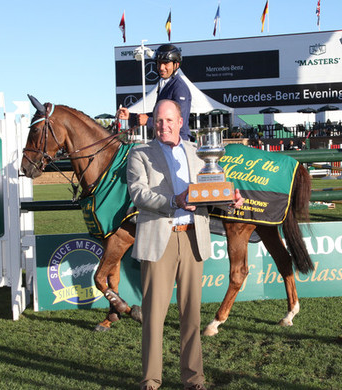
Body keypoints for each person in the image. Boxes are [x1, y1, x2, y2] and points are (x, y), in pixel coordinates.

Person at [127, 99, 242, 390]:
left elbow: (209, 193)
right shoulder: (140, 153)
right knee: (154, 317)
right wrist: (172, 201)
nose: (162, 125)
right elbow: (139, 193)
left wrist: (228, 198)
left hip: (193, 238)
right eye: (158, 120)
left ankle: (194, 380)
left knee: (191, 315)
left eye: (168, 120)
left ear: (180, 122)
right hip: (159, 241)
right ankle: (151, 381)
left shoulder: (197, 151)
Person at [118, 44, 193, 141]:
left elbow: (178, 121)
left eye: (166, 63)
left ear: (176, 65)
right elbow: (159, 115)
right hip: (163, 140)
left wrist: (148, 122)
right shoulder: (164, 84)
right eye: (159, 63)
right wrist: (131, 117)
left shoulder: (179, 88)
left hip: (177, 142)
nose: (161, 67)